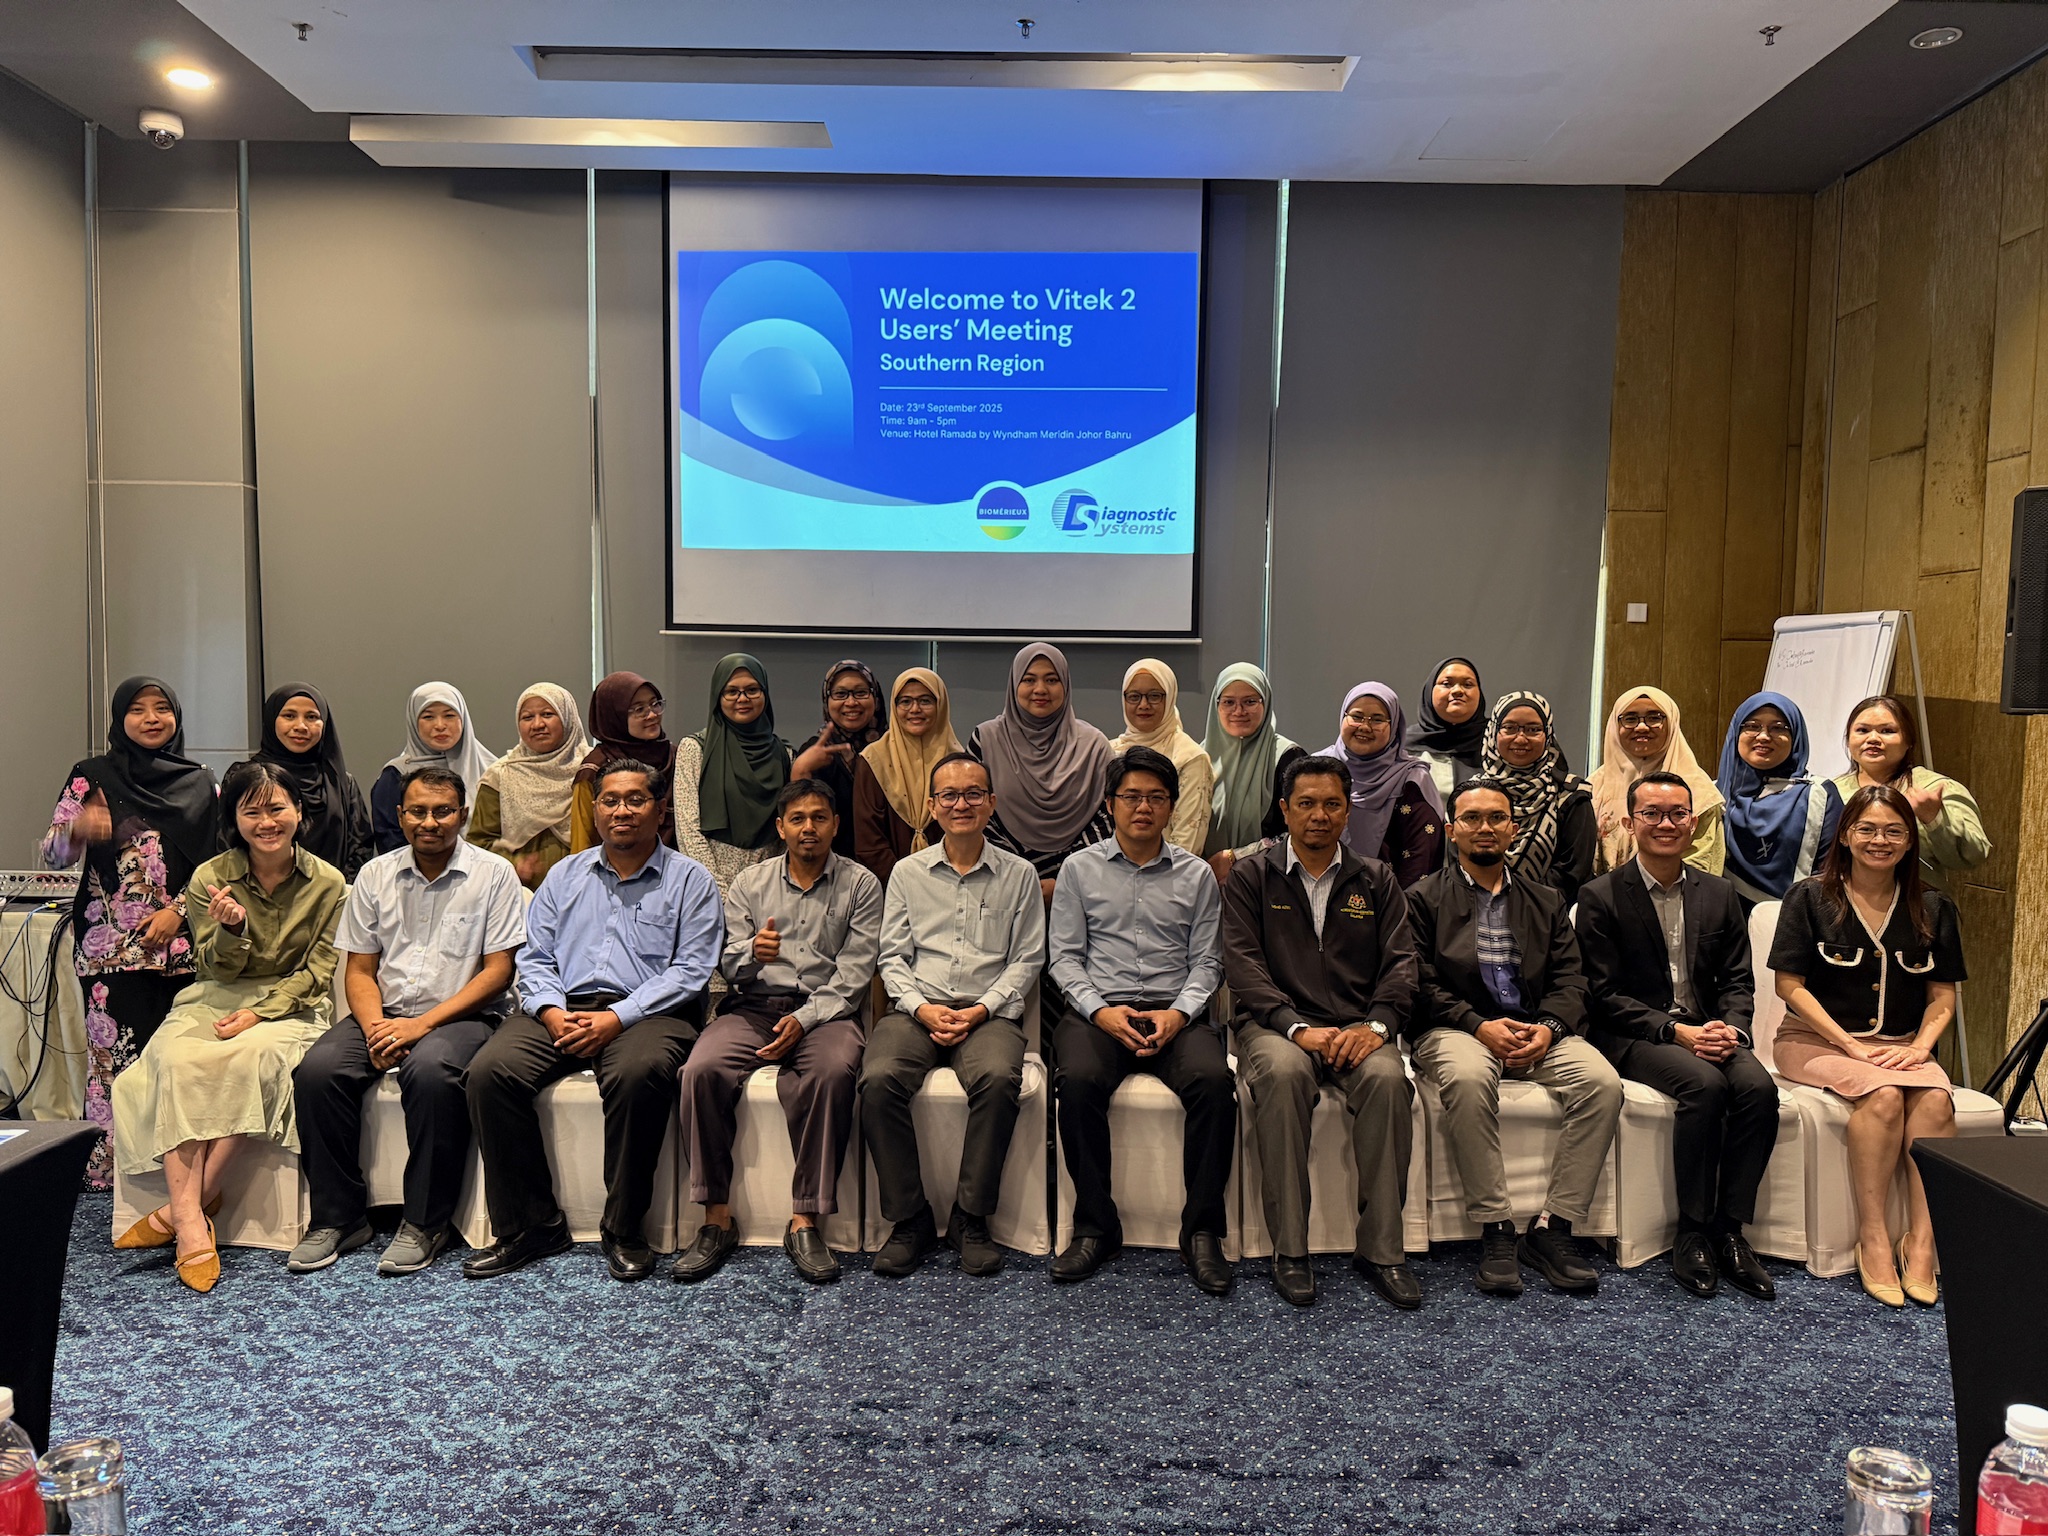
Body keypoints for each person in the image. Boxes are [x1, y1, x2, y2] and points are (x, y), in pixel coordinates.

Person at [463, 758, 724, 1283]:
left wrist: (617, 1017)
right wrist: (550, 1010)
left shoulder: (691, 880)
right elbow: (535, 956)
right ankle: (532, 1226)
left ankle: (623, 1229)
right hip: (562, 1005)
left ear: (660, 811)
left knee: (638, 1073)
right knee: (490, 1072)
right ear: (596, 809)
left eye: (635, 800)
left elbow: (692, 970)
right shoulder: (565, 874)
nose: (621, 811)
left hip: (650, 1012)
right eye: (610, 800)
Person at [109, 761, 346, 1293]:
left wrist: (262, 1012)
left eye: (277, 808)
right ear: (234, 819)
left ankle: (182, 1215)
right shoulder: (209, 878)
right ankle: (193, 1213)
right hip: (216, 994)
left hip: (292, 1003)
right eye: (252, 811)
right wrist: (233, 931)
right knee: (177, 1059)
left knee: (253, 1057)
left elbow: (319, 970)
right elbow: (214, 970)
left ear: (299, 812)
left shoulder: (329, 883)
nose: (267, 822)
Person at [287, 767, 526, 1276]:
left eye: (442, 811)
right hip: (384, 1013)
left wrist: (421, 1027)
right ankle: (338, 1217)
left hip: (464, 1015)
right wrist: (377, 1028)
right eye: (417, 811)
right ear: (400, 816)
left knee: (431, 1072)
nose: (430, 822)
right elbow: (359, 970)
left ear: (462, 815)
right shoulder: (375, 875)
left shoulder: (494, 874)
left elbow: (498, 972)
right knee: (317, 1073)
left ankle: (425, 1222)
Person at [1405, 778, 1621, 1297]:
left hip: (1536, 1027)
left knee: (1602, 1083)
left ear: (1514, 829)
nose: (1485, 828)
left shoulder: (1545, 901)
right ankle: (1496, 1227)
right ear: (1452, 830)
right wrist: (1477, 1025)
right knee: (1467, 1077)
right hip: (1457, 1028)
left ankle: (1553, 1227)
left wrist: (1549, 1028)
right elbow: (1417, 982)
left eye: (1496, 818)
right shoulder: (1422, 898)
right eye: (1472, 818)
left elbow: (1573, 979)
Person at [1222, 752, 1421, 1310]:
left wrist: (1377, 1026)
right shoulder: (1252, 875)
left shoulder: (1376, 878)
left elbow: (1401, 965)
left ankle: (1382, 1251)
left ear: (1347, 811)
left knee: (1388, 1082)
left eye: (1332, 804)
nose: (1319, 815)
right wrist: (1295, 1028)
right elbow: (1242, 966)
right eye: (1306, 804)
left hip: (1360, 1026)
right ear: (1285, 810)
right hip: (1275, 1026)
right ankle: (1290, 1250)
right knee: (1284, 1078)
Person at [1575, 770, 1777, 1301]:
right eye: (1652, 814)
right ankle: (1692, 1232)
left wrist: (1732, 1029)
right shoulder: (1600, 896)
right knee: (1704, 1087)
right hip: (1635, 1034)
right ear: (1630, 823)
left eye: (1677, 814)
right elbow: (1602, 993)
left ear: (1693, 822)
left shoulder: (1719, 892)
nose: (1666, 824)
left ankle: (1730, 1231)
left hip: (1710, 1028)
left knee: (1758, 1089)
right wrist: (1673, 1030)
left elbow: (1738, 980)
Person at [673, 778, 882, 1285]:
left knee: (832, 1073)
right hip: (753, 1007)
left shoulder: (861, 885)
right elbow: (726, 963)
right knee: (701, 1070)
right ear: (781, 827)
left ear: (835, 825)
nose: (809, 827)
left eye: (819, 817)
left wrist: (804, 1020)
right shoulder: (750, 883)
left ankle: (805, 1219)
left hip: (827, 1013)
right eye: (798, 819)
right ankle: (716, 1219)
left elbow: (854, 976)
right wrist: (752, 954)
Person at [1768, 784, 1963, 1308]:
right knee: (1883, 1096)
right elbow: (1790, 987)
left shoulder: (1935, 906)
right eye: (1868, 829)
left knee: (1935, 1100)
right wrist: (1850, 1047)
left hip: (1901, 1046)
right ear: (1846, 835)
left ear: (1910, 840)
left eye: (1894, 831)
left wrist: (1921, 1049)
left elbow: (1942, 996)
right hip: (1814, 1041)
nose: (1881, 841)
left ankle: (1922, 1243)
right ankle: (1873, 1238)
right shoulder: (1809, 897)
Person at [1048, 745, 1233, 1295]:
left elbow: (1208, 961)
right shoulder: (1079, 870)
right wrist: (1102, 1012)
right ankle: (1095, 1226)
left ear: (1172, 806)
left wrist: (1179, 1014)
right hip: (1100, 1011)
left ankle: (1201, 1231)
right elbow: (1064, 958)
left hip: (1176, 1011)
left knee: (1214, 1084)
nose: (1143, 807)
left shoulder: (1196, 875)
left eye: (1156, 797)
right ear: (1110, 804)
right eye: (1131, 796)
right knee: (1077, 1082)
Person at [859, 752, 1045, 1278]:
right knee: (878, 1079)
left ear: (991, 802)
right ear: (932, 805)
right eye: (949, 795)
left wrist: (983, 1009)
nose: (961, 804)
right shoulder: (907, 873)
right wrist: (922, 1008)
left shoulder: (1020, 875)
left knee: (998, 1077)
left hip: (989, 1013)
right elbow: (892, 957)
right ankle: (910, 1219)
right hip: (917, 1008)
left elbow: (1028, 958)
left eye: (973, 794)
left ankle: (971, 1218)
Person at [40, 677, 217, 1188]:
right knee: (115, 1060)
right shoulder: (91, 776)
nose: (152, 718)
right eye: (138, 709)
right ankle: (113, 1172)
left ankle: (180, 1172)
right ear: (120, 719)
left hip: (184, 946)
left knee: (181, 1060)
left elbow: (220, 864)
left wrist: (179, 912)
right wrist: (76, 832)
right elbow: (53, 855)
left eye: (162, 708)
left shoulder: (203, 783)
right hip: (110, 949)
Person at [968, 643, 1113, 903]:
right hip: (1001, 884)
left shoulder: (1095, 746)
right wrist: (1018, 874)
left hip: (1081, 888)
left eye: (1051, 680)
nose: (1040, 689)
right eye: (1029, 679)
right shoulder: (986, 739)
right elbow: (973, 806)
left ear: (1065, 685)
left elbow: (1109, 814)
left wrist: (1066, 879)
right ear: (1014, 684)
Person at [1831, 694, 1989, 884]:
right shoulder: (1829, 792)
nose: (1873, 738)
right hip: (1841, 899)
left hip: (1916, 899)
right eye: (1862, 730)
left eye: (1887, 731)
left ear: (1909, 741)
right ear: (1848, 740)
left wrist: (1935, 819)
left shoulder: (1935, 788)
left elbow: (1974, 855)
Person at [674, 653, 793, 900]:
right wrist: (722, 895)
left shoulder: (784, 754)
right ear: (718, 696)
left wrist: (772, 889)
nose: (742, 699)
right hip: (709, 889)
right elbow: (688, 831)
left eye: (752, 690)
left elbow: (785, 835)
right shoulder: (695, 749)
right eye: (731, 691)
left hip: (770, 889)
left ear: (765, 694)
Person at [1716, 691, 1841, 906]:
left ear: (1796, 737)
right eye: (1752, 726)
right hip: (1724, 916)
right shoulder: (1714, 794)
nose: (1764, 736)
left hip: (1795, 916)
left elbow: (1833, 868)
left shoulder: (1819, 794)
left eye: (1778, 728)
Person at [467, 683, 591, 892]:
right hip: (522, 893)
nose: (537, 724)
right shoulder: (501, 775)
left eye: (547, 714)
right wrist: (513, 865)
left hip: (586, 889)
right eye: (527, 717)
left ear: (568, 717)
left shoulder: (591, 769)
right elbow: (478, 843)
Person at [1590, 686, 1725, 875]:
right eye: (1630, 719)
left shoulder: (1698, 789)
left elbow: (1702, 864)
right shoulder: (1594, 785)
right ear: (1615, 725)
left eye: (1654, 718)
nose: (1641, 727)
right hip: (1605, 891)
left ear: (1671, 723)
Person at [1322, 682, 1445, 889]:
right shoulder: (1317, 770)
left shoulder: (1412, 780)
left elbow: (1421, 860)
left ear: (1394, 726)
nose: (1365, 727)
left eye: (1377, 719)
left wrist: (1394, 905)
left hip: (1390, 900)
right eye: (1356, 716)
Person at [1480, 691, 1597, 905]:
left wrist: (1526, 906)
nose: (1520, 738)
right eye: (1510, 728)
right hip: (1480, 908)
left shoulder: (1571, 794)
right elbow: (1462, 859)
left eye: (1533, 729)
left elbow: (1573, 871)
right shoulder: (1473, 794)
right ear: (1494, 731)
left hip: (1553, 913)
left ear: (1548, 734)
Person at [246, 683, 372, 880]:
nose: (301, 726)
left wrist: (337, 889)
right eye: (289, 716)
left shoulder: (341, 782)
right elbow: (228, 841)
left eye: (312, 717)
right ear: (271, 719)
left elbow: (360, 845)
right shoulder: (246, 777)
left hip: (332, 893)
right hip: (258, 892)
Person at [852, 667, 958, 888]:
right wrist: (907, 886)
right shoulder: (874, 760)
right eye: (905, 702)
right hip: (892, 887)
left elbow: (966, 830)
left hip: (952, 883)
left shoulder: (959, 762)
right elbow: (869, 843)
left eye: (925, 701)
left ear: (940, 705)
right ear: (894, 706)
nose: (915, 709)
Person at [1201, 662, 1302, 885]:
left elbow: (1301, 830)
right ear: (1216, 706)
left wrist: (1236, 858)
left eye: (1250, 701)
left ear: (1265, 703)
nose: (1239, 711)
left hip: (1270, 883)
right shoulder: (1200, 758)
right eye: (1229, 702)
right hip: (1205, 883)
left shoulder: (1288, 757)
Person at [370, 683, 496, 856]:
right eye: (428, 717)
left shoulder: (493, 770)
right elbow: (391, 843)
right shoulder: (396, 774)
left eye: (449, 715)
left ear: (463, 719)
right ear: (414, 722)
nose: (440, 725)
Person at [1110, 658, 1215, 857]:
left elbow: (1187, 845)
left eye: (1154, 696)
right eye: (1134, 696)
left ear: (1170, 697)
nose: (1143, 705)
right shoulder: (1109, 752)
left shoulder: (1190, 758)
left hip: (1169, 871)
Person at [572, 671, 676, 852]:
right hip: (610, 866)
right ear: (614, 717)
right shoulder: (594, 769)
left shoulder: (676, 756)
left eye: (655, 704)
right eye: (639, 709)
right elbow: (582, 844)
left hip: (676, 865)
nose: (652, 715)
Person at [790, 660, 884, 858]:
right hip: (830, 866)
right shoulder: (815, 752)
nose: (851, 702)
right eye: (840, 694)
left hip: (887, 864)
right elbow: (800, 818)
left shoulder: (892, 749)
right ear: (827, 700)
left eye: (860, 693)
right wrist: (802, 770)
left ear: (875, 698)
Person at [1409, 657, 1488, 803]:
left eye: (1468, 684)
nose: (1457, 690)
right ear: (1429, 691)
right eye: (1446, 684)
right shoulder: (1402, 748)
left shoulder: (1497, 743)